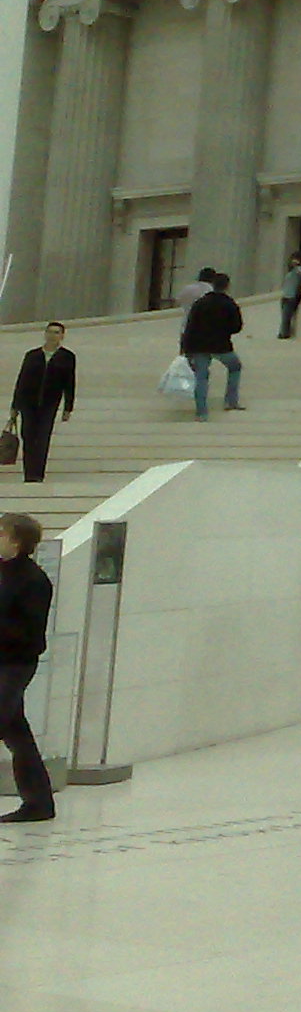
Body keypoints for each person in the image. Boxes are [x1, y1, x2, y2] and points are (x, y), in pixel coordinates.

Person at [0, 512, 54, 824]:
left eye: (2, 533)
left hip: (15, 664)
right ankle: (39, 802)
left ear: (17, 541)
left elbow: (31, 633)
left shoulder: (34, 580)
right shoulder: (4, 571)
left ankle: (38, 802)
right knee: (16, 733)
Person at [8, 322, 75, 486]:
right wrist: (15, 405)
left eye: (57, 332)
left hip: (49, 403)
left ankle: (38, 473)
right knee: (28, 436)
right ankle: (29, 473)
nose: (53, 335)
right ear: (45, 334)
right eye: (50, 332)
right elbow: (22, 380)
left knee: (43, 437)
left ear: (62, 336)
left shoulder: (67, 357)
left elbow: (70, 383)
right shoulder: (32, 355)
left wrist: (68, 407)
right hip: (28, 403)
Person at [181, 269, 245, 421]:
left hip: (199, 345)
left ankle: (201, 412)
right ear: (227, 286)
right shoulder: (230, 304)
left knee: (201, 377)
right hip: (221, 345)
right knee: (235, 367)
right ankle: (231, 401)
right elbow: (237, 327)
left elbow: (190, 326)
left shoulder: (200, 303)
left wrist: (186, 348)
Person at [279, 253, 301, 338]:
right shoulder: (290, 274)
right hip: (286, 296)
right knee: (285, 316)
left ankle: (284, 333)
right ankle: (283, 332)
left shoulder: (297, 270)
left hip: (290, 297)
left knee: (286, 316)